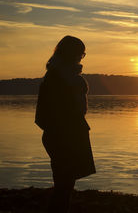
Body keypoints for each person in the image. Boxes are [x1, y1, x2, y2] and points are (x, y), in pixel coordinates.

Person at [35, 35, 96, 212]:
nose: (81, 57)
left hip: (68, 135)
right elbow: (50, 113)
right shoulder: (57, 78)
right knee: (64, 185)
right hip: (62, 137)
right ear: (69, 53)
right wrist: (64, 131)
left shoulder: (64, 76)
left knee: (65, 185)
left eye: (83, 54)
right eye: (79, 53)